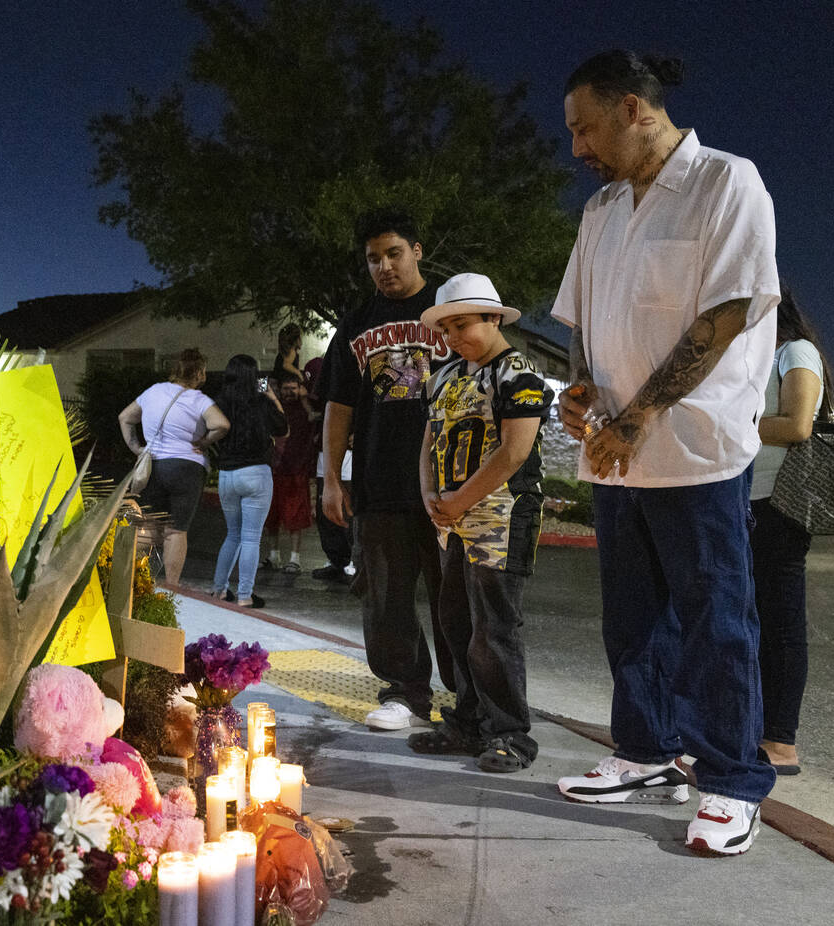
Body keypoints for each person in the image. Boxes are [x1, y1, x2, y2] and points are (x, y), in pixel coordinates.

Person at [551, 50, 780, 856]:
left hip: (694, 451)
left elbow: (724, 314)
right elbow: (581, 319)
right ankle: (645, 751)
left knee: (717, 620)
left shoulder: (727, 183)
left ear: (634, 111)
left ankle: (730, 779)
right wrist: (581, 389)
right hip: (614, 450)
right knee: (633, 619)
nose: (577, 148)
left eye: (585, 127)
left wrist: (639, 415)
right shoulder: (604, 208)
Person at [408, 273, 554, 773]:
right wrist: (431, 495)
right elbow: (429, 444)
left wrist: (458, 500)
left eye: (461, 325)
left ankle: (510, 733)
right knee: (455, 622)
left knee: (494, 627)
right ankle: (469, 722)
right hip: (451, 518)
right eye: (445, 328)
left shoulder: (519, 375)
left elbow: (514, 452)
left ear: (494, 318)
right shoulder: (444, 377)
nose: (452, 337)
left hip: (501, 515)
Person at [321, 207, 455, 731]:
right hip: (379, 483)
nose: (384, 267)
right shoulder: (355, 324)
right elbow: (339, 406)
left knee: (457, 600)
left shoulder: (449, 309)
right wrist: (332, 478)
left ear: (417, 251)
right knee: (386, 600)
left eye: (394, 254)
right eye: (373, 258)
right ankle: (406, 693)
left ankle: (467, 699)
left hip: (450, 485)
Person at [750, 284, 834, 775]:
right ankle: (755, 728)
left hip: (779, 504)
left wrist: (728, 419)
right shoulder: (754, 354)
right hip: (747, 498)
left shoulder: (795, 350)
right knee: (752, 620)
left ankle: (781, 742)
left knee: (780, 623)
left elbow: (798, 425)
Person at [118, 349, 229, 586]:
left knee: (147, 523)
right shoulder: (200, 400)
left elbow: (125, 417)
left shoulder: (153, 391)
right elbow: (221, 424)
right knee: (176, 530)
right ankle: (171, 585)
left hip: (154, 465)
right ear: (199, 372)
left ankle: (134, 580)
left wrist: (137, 447)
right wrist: (204, 442)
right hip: (187, 467)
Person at [209, 354, 288, 608]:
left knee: (232, 534)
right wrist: (271, 395)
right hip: (255, 473)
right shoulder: (260, 402)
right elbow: (283, 428)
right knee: (251, 537)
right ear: (254, 378)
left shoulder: (220, 403)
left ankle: (219, 590)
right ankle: (245, 595)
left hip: (227, 474)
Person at [261, 370, 318, 573]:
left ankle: (295, 558)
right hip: (274, 468)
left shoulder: (306, 409)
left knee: (296, 516)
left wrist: (305, 396)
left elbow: (316, 409)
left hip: (297, 468)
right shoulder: (274, 408)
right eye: (285, 388)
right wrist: (267, 386)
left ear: (300, 389)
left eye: (293, 388)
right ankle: (273, 555)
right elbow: (259, 390)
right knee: (271, 515)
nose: (289, 392)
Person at [306, 356, 354, 583]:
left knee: (348, 509)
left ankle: (351, 560)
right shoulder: (326, 387)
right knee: (327, 512)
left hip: (347, 455)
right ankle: (336, 560)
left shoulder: (350, 381)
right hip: (327, 453)